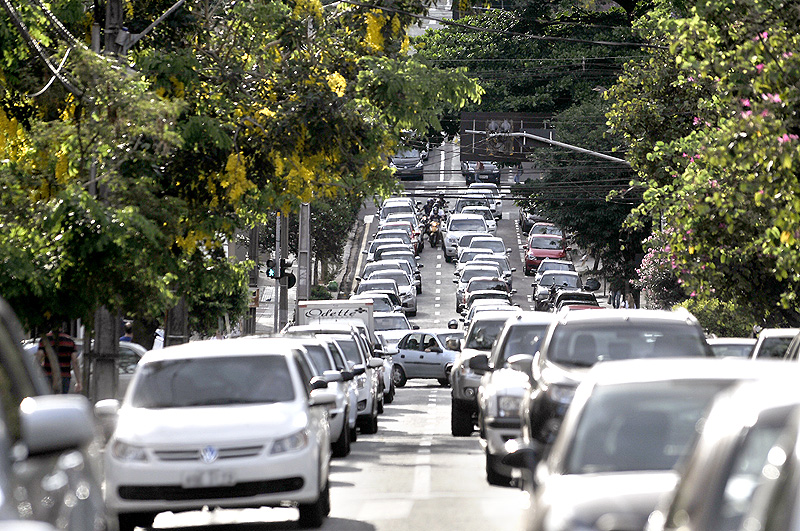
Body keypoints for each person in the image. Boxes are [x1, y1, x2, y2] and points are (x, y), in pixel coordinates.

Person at [36, 326, 81, 394]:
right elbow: (75, 361)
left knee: (48, 399)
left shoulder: (45, 340)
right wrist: (78, 382)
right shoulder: (69, 341)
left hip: (49, 375)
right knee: (62, 400)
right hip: (64, 375)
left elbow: (39, 357)